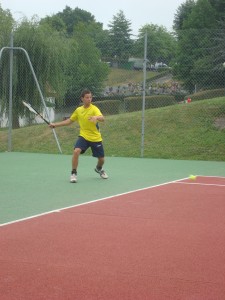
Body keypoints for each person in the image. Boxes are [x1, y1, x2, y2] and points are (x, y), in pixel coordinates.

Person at [49, 89, 108, 183]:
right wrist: (55, 125)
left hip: (95, 138)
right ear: (82, 99)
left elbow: (102, 118)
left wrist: (96, 117)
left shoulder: (94, 109)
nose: (89, 99)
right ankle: (73, 173)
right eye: (87, 97)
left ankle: (99, 168)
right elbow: (69, 121)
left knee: (101, 159)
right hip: (83, 136)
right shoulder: (78, 110)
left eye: (90, 97)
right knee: (76, 151)